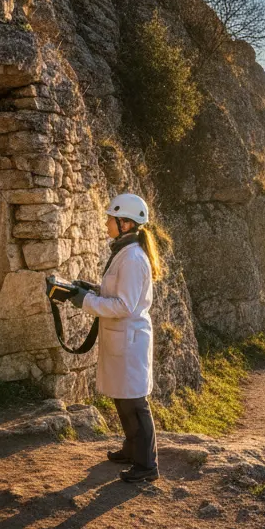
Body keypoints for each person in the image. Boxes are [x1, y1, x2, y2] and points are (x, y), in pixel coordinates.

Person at [64, 193, 165, 483]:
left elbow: (124, 305)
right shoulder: (125, 251)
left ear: (125, 223)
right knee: (124, 398)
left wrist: (85, 301)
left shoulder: (132, 257)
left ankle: (147, 465)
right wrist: (91, 289)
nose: (106, 222)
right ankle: (132, 449)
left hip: (129, 340)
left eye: (111, 218)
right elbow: (117, 293)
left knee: (135, 402)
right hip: (123, 339)